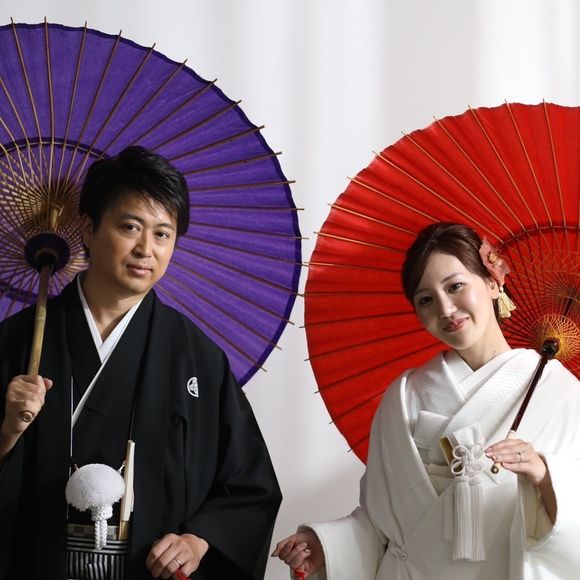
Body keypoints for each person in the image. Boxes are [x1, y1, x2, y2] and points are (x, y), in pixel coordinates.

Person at [0, 146, 282, 580]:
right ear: (88, 228)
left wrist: (198, 539)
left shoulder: (197, 358)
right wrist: (7, 431)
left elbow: (250, 487)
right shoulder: (16, 342)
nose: (146, 249)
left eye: (163, 234)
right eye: (130, 226)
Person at [272, 222, 580, 579]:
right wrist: (326, 545)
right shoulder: (404, 395)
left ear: (494, 282)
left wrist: (544, 475)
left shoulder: (559, 393)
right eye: (426, 299)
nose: (446, 309)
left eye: (455, 286)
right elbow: (381, 523)